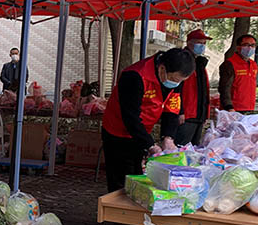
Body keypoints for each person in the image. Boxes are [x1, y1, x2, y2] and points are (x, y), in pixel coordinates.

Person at [101, 48, 195, 192]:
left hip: (142, 131)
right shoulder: (135, 76)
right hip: (118, 132)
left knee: (137, 177)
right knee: (120, 182)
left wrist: (168, 138)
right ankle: (116, 212)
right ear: (162, 68)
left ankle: (134, 210)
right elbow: (130, 117)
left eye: (181, 81)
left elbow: (172, 108)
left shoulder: (174, 77)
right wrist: (150, 145)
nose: (177, 84)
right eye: (176, 80)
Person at [175, 29, 211, 146]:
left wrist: (205, 113)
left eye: (204, 44)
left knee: (194, 150)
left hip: (198, 115)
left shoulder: (199, 63)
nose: (202, 46)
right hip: (187, 115)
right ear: (190, 43)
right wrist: (180, 111)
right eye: (200, 43)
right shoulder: (182, 60)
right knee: (181, 148)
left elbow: (204, 91)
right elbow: (176, 88)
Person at [218, 34, 258, 112]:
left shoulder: (254, 64)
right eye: (246, 45)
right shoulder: (230, 64)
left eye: (253, 45)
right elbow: (224, 88)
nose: (250, 48)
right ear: (238, 47)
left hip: (249, 107)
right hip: (233, 109)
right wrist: (228, 106)